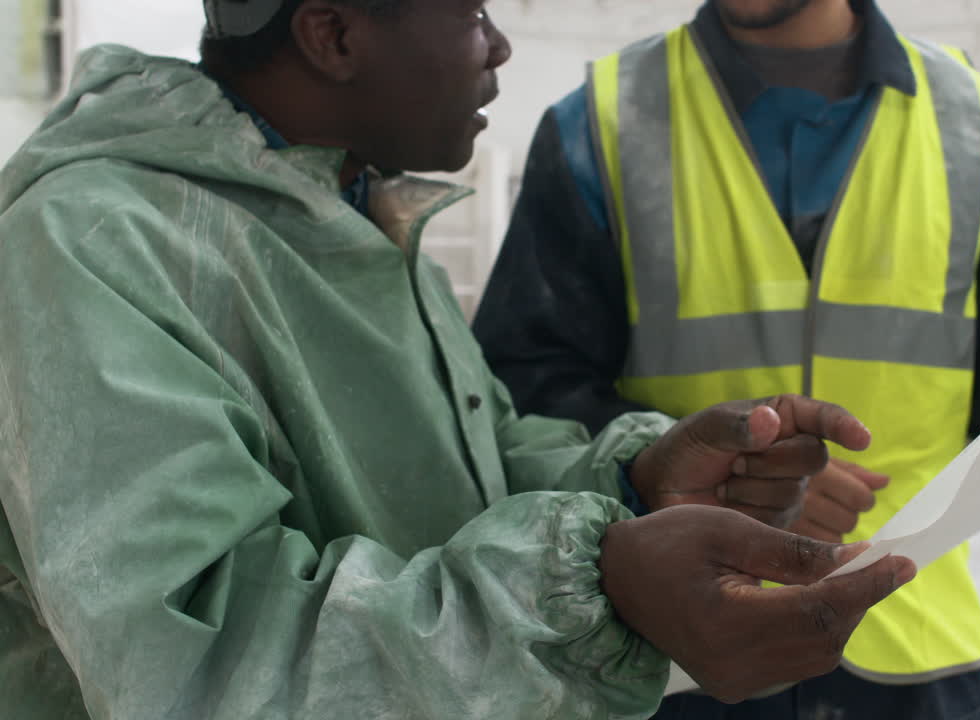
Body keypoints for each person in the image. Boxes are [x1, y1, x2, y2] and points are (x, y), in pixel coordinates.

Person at [0, 1, 921, 718]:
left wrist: (642, 476)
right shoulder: (91, 245)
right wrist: (597, 588)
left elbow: (471, 469)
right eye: (474, 13)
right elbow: (196, 667)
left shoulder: (355, 213)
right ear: (333, 34)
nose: (500, 47)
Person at [473, 0, 980, 717]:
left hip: (912, 652)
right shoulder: (601, 123)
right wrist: (712, 472)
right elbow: (525, 389)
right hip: (671, 653)